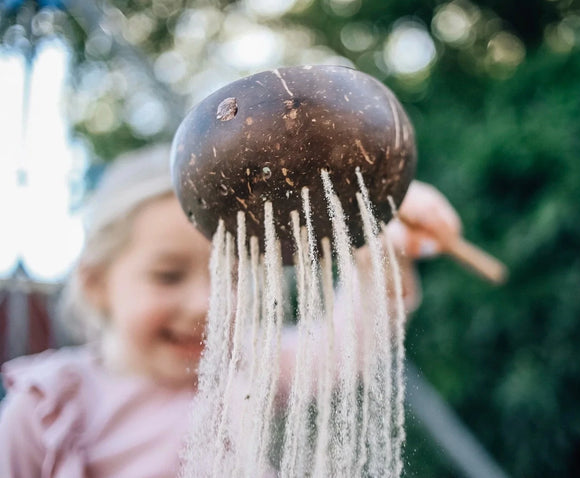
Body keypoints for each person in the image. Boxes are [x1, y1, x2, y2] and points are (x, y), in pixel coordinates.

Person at [0, 144, 461, 477]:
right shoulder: (48, 409)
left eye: (235, 279)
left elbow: (349, 342)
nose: (207, 305)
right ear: (97, 282)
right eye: (168, 276)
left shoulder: (245, 366)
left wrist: (380, 231)